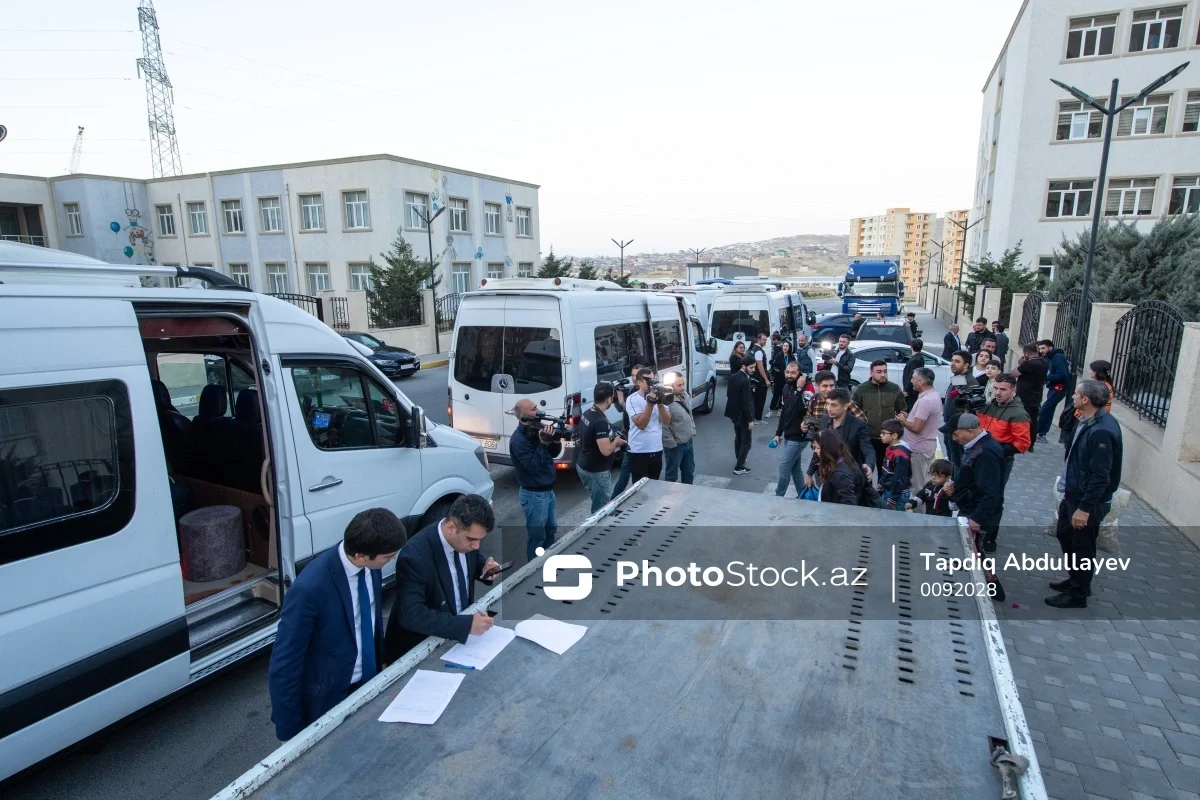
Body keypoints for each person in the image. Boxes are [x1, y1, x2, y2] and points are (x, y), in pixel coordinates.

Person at [269, 508, 406, 741]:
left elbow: (369, 620)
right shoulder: (310, 588)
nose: (392, 560)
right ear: (362, 555)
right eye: (388, 556)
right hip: (328, 701)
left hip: (368, 685)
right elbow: (285, 662)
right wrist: (290, 734)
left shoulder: (369, 568)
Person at [383, 495, 501, 661]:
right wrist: (465, 625)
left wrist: (484, 569)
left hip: (459, 641)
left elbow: (472, 559)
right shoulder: (414, 557)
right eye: (472, 540)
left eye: (480, 540)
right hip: (424, 648)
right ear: (451, 527)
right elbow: (411, 615)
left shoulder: (463, 539)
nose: (476, 546)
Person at [1046, 380, 1123, 609]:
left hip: (1086, 500)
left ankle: (1078, 593)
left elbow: (1101, 476)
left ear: (1086, 399)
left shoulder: (1102, 430)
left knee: (1082, 546)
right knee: (1064, 534)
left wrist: (1085, 508)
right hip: (1073, 493)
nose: (1072, 397)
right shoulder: (1087, 420)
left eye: (1076, 394)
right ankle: (1075, 579)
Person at [944, 414, 1006, 555]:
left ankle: (989, 577)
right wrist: (956, 483)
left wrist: (977, 518)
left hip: (974, 513)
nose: (954, 439)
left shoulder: (985, 453)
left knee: (973, 555)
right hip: (970, 508)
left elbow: (991, 491)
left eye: (955, 434)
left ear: (970, 431)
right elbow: (973, 476)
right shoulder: (977, 446)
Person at [510, 398, 559, 561]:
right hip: (534, 496)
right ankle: (533, 570)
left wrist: (553, 440)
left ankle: (549, 562)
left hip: (548, 492)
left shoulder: (537, 428)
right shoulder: (518, 440)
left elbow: (552, 454)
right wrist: (543, 444)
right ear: (524, 416)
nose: (538, 410)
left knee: (551, 530)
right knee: (537, 538)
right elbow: (533, 467)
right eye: (533, 409)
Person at [805, 387, 875, 489]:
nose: (828, 408)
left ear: (845, 406)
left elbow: (868, 450)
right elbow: (819, 449)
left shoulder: (858, 425)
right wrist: (809, 473)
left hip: (849, 479)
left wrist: (869, 465)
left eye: (833, 405)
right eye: (827, 404)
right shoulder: (824, 421)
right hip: (827, 477)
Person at [576, 382, 626, 513]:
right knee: (601, 509)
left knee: (599, 501)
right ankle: (597, 530)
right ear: (609, 399)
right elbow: (606, 450)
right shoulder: (600, 421)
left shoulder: (587, 413)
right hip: (596, 471)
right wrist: (616, 442)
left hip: (585, 464)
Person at [977, 374, 1031, 489]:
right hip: (980, 457)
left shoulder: (1019, 414)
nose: (997, 392)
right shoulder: (988, 406)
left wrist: (998, 450)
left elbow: (1023, 444)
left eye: (1003, 389)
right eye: (996, 388)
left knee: (993, 495)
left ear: (1013, 390)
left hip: (999, 460)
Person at [851, 359, 906, 470]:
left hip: (888, 438)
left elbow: (902, 411)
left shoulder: (894, 389)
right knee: (866, 470)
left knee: (886, 471)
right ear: (871, 373)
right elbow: (853, 413)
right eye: (879, 372)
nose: (883, 374)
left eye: (885, 371)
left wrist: (897, 431)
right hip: (867, 437)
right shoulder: (861, 389)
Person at [896, 366, 942, 491]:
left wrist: (903, 421)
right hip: (924, 447)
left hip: (919, 450)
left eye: (913, 378)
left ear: (921, 381)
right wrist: (909, 417)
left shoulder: (926, 401)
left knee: (919, 485)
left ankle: (919, 510)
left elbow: (917, 427)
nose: (911, 381)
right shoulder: (933, 395)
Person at [772, 360, 813, 497]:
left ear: (800, 373)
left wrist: (800, 389)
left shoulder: (808, 388)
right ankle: (803, 496)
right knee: (796, 470)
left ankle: (778, 496)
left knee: (784, 467)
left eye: (793, 373)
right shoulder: (786, 387)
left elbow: (799, 409)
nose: (789, 375)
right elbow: (785, 411)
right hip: (788, 435)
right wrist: (778, 433)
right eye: (788, 372)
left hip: (799, 436)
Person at [625, 366, 670, 481]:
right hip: (639, 452)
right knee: (640, 490)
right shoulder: (632, 399)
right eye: (648, 381)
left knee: (654, 487)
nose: (652, 384)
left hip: (656, 449)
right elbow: (641, 425)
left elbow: (666, 421)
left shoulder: (659, 394)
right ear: (639, 382)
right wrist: (650, 405)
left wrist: (660, 404)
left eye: (653, 380)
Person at [609, 363, 644, 499]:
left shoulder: (641, 394)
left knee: (626, 473)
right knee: (627, 472)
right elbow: (622, 411)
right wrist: (619, 400)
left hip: (636, 439)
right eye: (633, 375)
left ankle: (614, 501)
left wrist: (622, 401)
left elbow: (633, 414)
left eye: (637, 375)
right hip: (629, 436)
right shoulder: (632, 389)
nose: (634, 378)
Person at [1061, 360, 1114, 447]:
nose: (1089, 371)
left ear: (1097, 372)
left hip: (1088, 418)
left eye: (1091, 369)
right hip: (1082, 416)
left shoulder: (1103, 388)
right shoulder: (1099, 384)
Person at [813, 429, 867, 506]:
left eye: (818, 448)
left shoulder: (839, 474)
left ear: (828, 449)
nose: (815, 451)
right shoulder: (845, 461)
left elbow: (848, 502)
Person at [725, 354, 756, 475]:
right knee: (747, 441)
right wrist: (750, 420)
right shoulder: (745, 381)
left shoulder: (733, 377)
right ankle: (739, 466)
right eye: (752, 367)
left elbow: (729, 395)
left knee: (738, 437)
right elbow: (746, 402)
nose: (753, 370)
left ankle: (739, 457)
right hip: (743, 416)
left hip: (735, 414)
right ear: (744, 366)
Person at [662, 373, 696, 484]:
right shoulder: (667, 403)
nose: (682, 387)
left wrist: (692, 431)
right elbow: (664, 426)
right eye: (679, 385)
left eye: (683, 384)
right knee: (672, 476)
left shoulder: (685, 395)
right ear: (670, 387)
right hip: (676, 447)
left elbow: (689, 415)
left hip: (688, 442)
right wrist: (672, 444)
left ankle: (688, 496)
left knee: (689, 472)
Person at [1012, 343, 1047, 452]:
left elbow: (1013, 374)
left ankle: (1023, 442)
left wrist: (1019, 363)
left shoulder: (1028, 364)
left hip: (1025, 396)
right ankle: (1031, 443)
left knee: (1023, 420)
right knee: (1033, 420)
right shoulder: (1044, 362)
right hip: (1037, 395)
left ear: (1026, 353)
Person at [942, 350, 973, 469]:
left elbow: (966, 408)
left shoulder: (968, 381)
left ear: (966, 365)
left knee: (957, 458)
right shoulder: (959, 377)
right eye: (952, 360)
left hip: (957, 426)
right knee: (951, 454)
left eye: (957, 361)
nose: (952, 363)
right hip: (950, 423)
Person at [1036, 339, 1070, 443]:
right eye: (1040, 348)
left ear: (1050, 347)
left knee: (1045, 409)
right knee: (1049, 410)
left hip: (1059, 388)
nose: (1041, 350)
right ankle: (1042, 434)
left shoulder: (1058, 357)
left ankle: (1039, 432)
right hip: (1054, 387)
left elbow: (1062, 375)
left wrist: (1046, 377)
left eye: (1043, 348)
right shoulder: (1051, 357)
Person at [876, 419, 912, 510]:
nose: (881, 435)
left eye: (884, 433)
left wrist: (893, 498)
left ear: (894, 435)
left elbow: (899, 478)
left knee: (895, 520)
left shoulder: (899, 455)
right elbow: (887, 469)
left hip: (897, 494)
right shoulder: (890, 448)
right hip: (890, 489)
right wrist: (881, 483)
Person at [768, 339, 795, 413]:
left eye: (787, 346)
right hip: (779, 377)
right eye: (784, 346)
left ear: (789, 348)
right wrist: (776, 369)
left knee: (786, 393)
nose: (785, 347)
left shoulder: (792, 357)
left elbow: (794, 366)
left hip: (788, 378)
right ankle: (772, 408)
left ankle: (781, 407)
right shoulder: (779, 355)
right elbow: (773, 366)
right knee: (777, 393)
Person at [748, 332, 770, 421]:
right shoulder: (758, 351)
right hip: (759, 379)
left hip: (755, 377)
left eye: (766, 340)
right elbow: (760, 366)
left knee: (756, 399)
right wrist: (766, 379)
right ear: (758, 340)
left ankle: (755, 418)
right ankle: (757, 419)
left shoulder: (754, 349)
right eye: (764, 340)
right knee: (760, 399)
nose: (765, 342)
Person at [901, 338, 927, 411]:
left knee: (909, 409)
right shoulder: (919, 357)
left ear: (911, 347)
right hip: (912, 390)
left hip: (912, 391)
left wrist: (907, 390)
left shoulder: (915, 360)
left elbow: (912, 376)